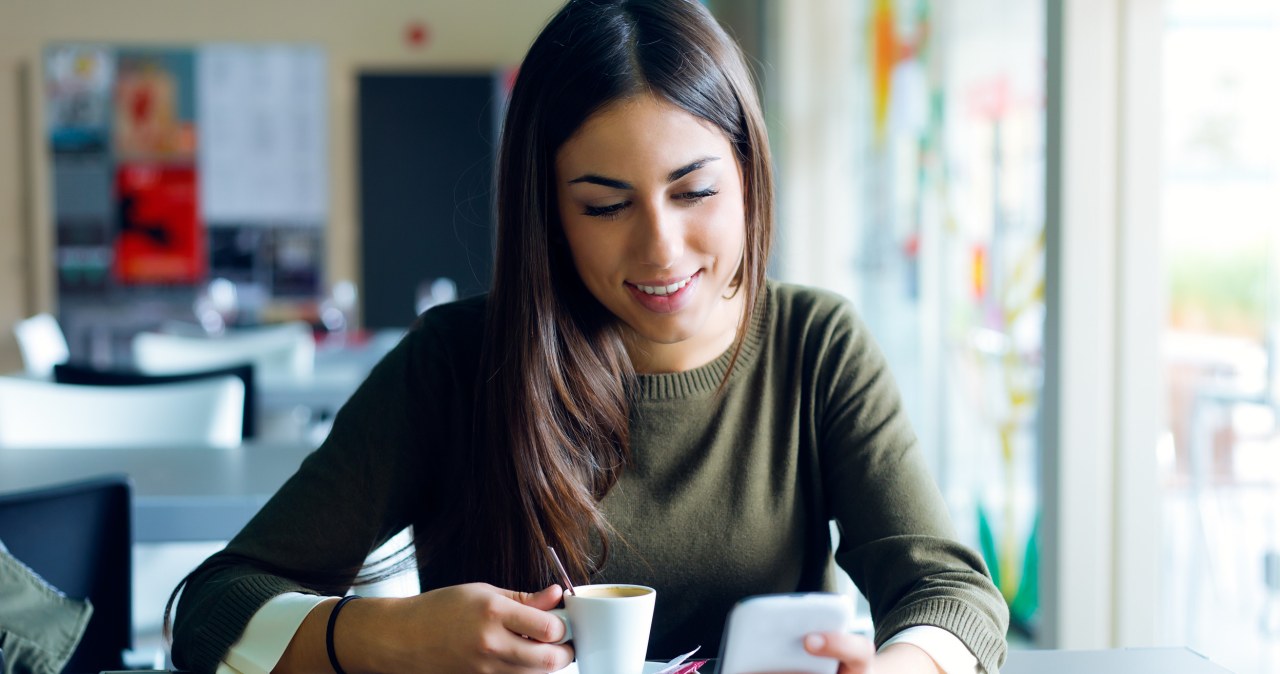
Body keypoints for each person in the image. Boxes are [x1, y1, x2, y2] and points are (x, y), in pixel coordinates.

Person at [168, 0, 1010, 672]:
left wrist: (905, 664)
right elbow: (209, 610)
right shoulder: (457, 363)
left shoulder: (815, 345)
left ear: (749, 174)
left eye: (695, 192)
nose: (660, 249)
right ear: (548, 215)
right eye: (604, 206)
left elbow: (950, 593)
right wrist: (391, 638)